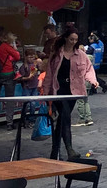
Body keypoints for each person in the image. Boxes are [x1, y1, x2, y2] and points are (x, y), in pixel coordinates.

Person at [40, 25, 99, 161]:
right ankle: (69, 149)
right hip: (59, 90)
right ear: (66, 38)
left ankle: (55, 151)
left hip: (74, 90)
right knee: (65, 116)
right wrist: (46, 92)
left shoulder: (81, 55)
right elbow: (49, 74)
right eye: (71, 39)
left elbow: (88, 70)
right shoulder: (57, 54)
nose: (73, 42)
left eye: (75, 40)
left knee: (62, 120)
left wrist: (93, 81)